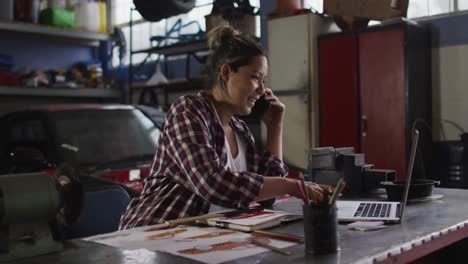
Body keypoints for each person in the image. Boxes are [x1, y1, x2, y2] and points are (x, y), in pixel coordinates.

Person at [119, 25, 328, 230]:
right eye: (255, 77)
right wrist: (292, 185)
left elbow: (266, 198)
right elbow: (213, 183)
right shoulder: (188, 111)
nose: (262, 90)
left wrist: (275, 127)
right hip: (150, 237)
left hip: (198, 242)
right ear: (226, 72)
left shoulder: (241, 131)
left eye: (264, 81)